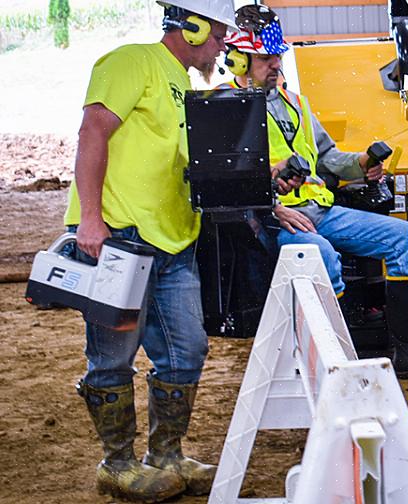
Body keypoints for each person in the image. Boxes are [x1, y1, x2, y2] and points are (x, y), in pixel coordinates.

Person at [63, 1, 234, 501]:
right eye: (219, 32)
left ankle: (165, 455)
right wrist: (90, 219)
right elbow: (93, 131)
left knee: (187, 352)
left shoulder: (186, 87)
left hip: (174, 242)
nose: (224, 43)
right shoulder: (132, 61)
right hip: (120, 237)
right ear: (194, 24)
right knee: (112, 358)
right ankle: (116, 465)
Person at [220, 4, 408, 377]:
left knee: (406, 238)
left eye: (278, 54)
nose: (275, 63)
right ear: (239, 61)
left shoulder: (295, 102)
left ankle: (404, 355)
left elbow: (326, 157)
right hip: (269, 221)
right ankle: (337, 365)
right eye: (265, 57)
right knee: (323, 257)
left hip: (319, 210)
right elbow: (223, 181)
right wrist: (271, 196)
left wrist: (360, 162)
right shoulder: (221, 108)